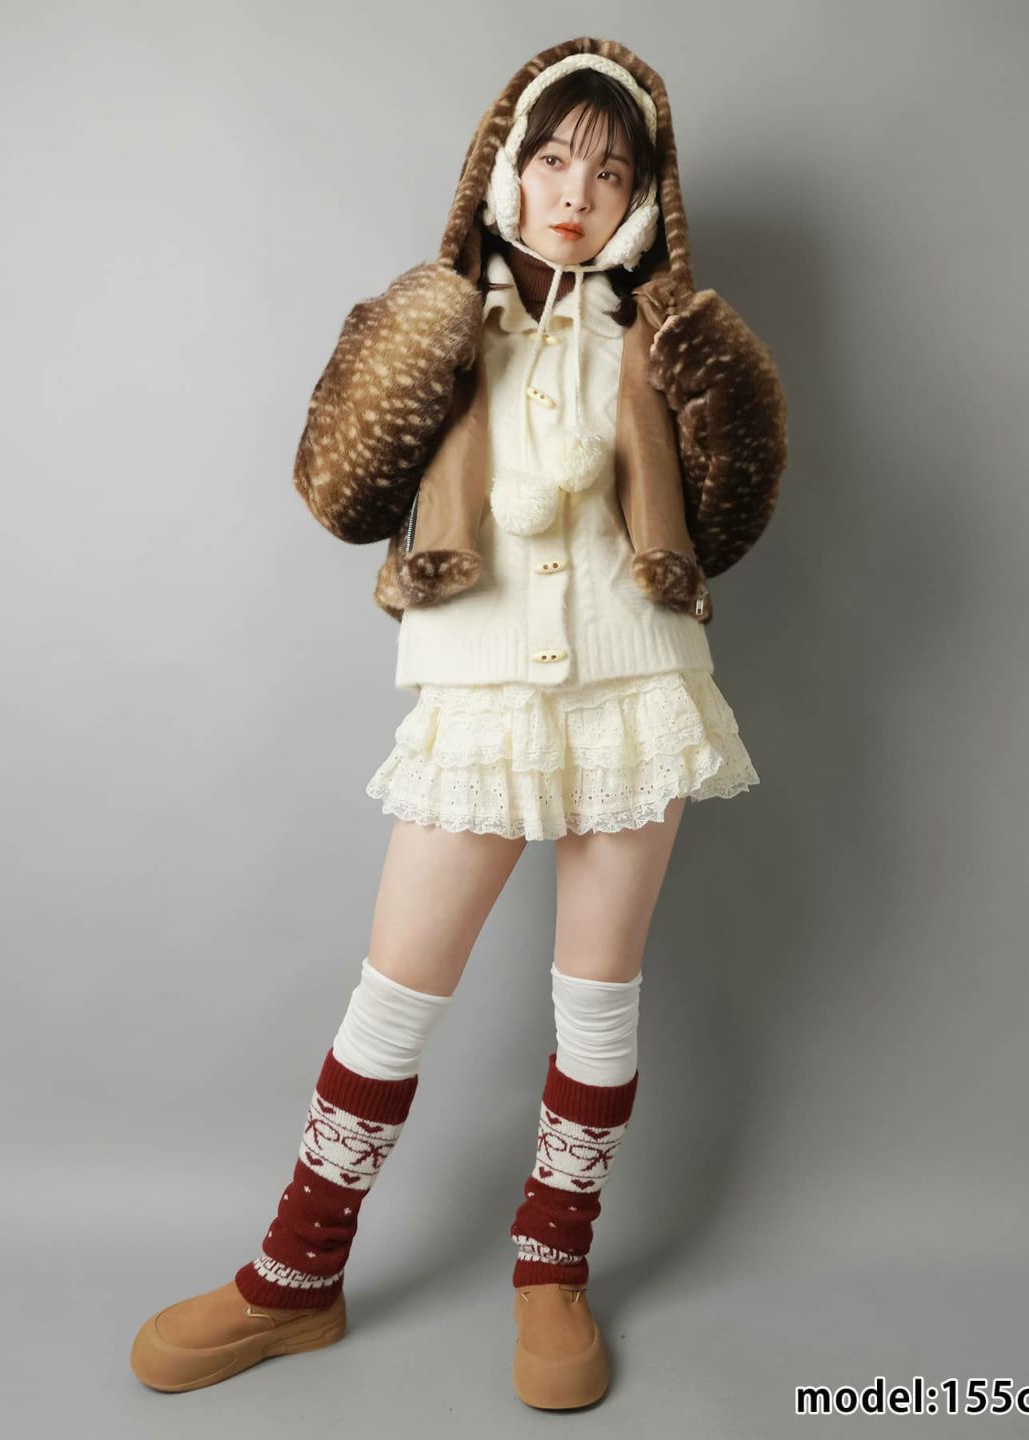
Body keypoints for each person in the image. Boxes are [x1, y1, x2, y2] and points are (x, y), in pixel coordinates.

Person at [130, 35, 787, 1410]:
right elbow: (341, 495)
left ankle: (553, 1271)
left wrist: (709, 375)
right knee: (395, 998)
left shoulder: (658, 336)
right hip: (479, 688)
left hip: (636, 686)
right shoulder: (439, 320)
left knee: (597, 999)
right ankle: (296, 1279)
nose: (575, 191)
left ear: (644, 199)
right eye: (551, 157)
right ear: (504, 167)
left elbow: (722, 527)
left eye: (610, 171)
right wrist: (417, 336)